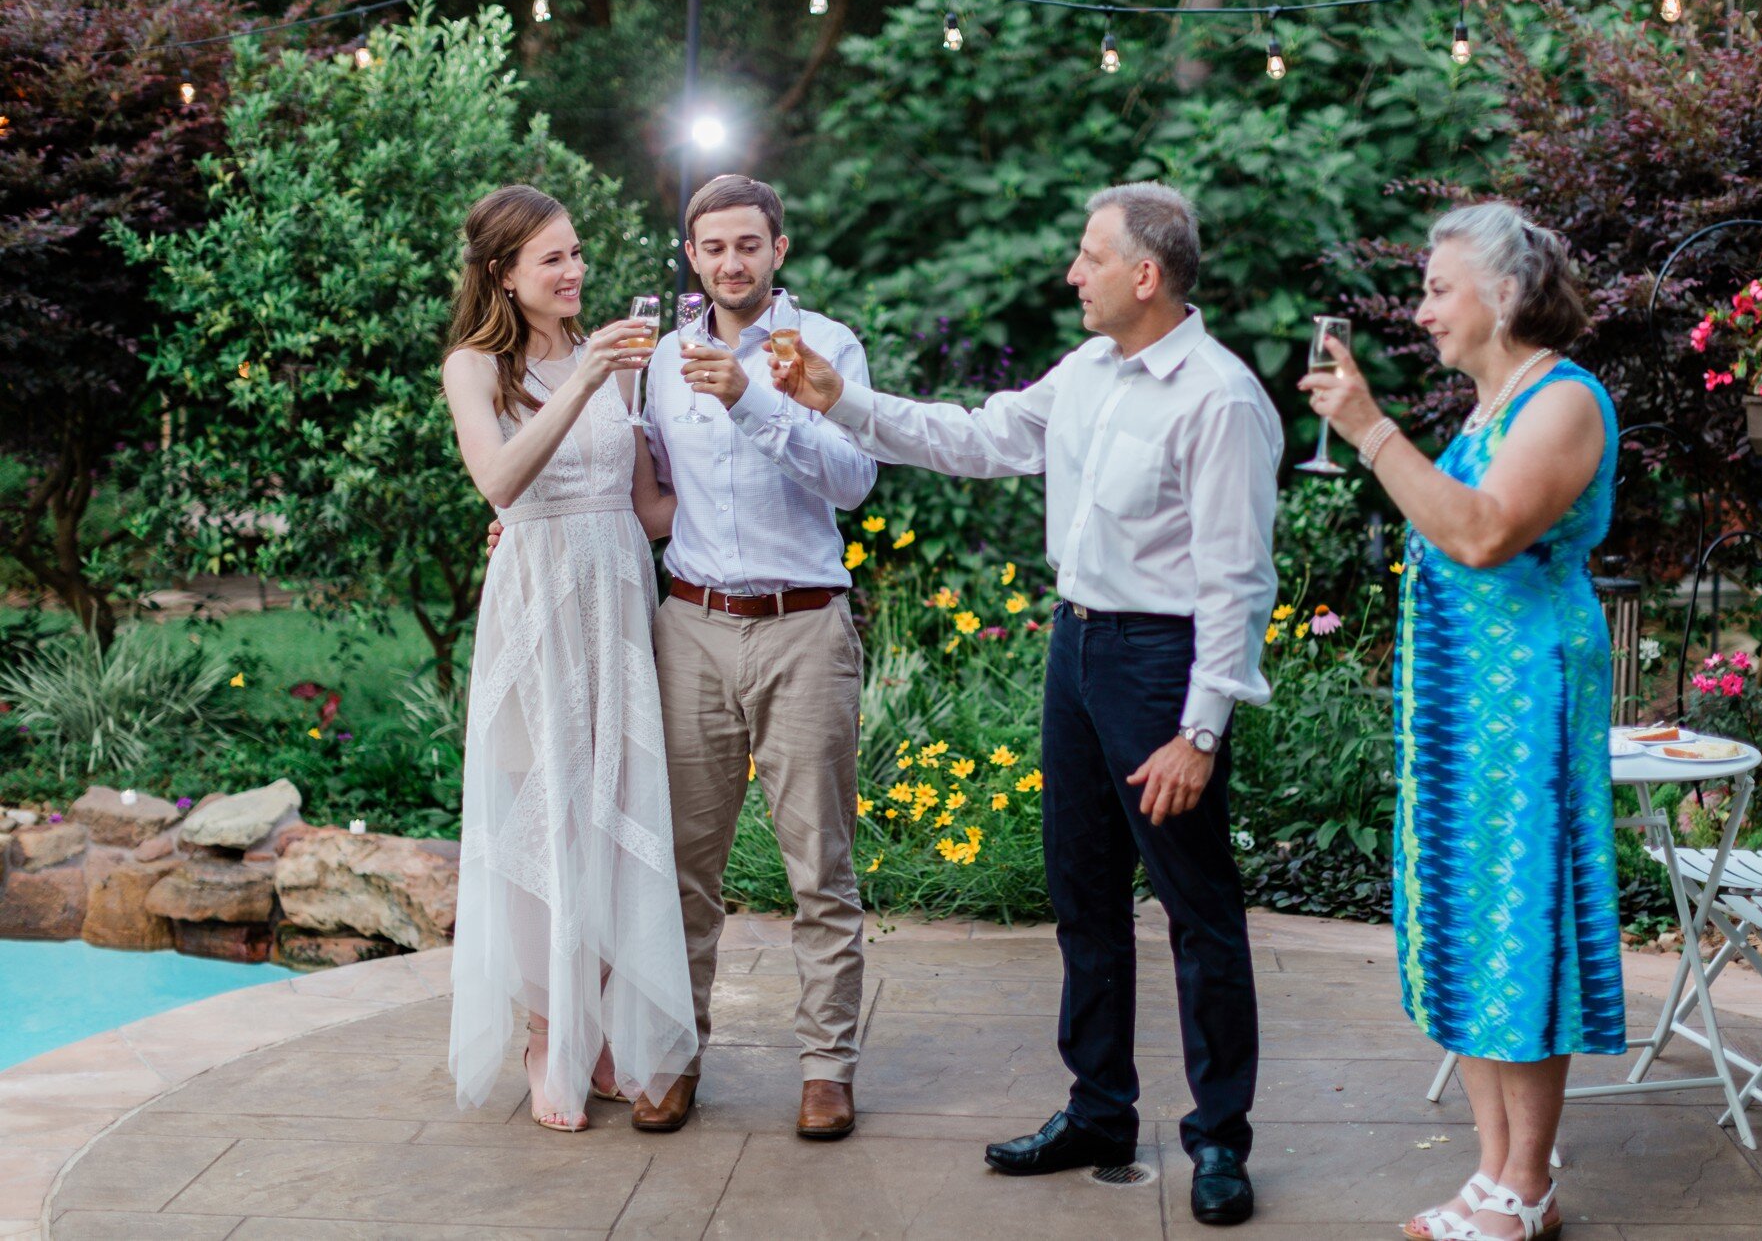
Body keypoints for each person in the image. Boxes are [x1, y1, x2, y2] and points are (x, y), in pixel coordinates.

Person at [773, 181, 1279, 1227]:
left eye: (1087, 258)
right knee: (1081, 897)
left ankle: (1218, 1141)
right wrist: (842, 403)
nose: (1069, 276)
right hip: (1077, 649)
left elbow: (1238, 581)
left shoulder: (1220, 398)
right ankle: (1098, 1108)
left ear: (1144, 275)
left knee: (1198, 914)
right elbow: (977, 438)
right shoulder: (1088, 372)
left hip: (1162, 662)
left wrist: (1200, 728)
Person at [1299, 200, 1619, 1241]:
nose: (1423, 309)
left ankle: (1527, 1184)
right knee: (1470, 928)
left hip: (1522, 707)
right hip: (1459, 711)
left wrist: (1366, 430)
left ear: (1506, 293)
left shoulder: (1561, 403)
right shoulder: (1488, 411)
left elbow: (1479, 535)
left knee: (1518, 923)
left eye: (1439, 288)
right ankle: (1491, 1174)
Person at [441, 184, 696, 1133]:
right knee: (537, 811)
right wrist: (586, 380)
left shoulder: (615, 365)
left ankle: (595, 1024)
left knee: (612, 805)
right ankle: (548, 1031)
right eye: (553, 258)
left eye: (578, 253)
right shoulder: (476, 368)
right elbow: (501, 484)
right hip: (535, 604)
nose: (576, 270)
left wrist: (771, 492)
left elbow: (647, 507)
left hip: (617, 597)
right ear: (505, 274)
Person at [637, 174, 878, 1140]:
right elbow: (648, 490)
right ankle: (674, 1052)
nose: (730, 262)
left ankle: (826, 1067)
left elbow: (855, 479)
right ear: (691, 256)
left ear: (778, 249)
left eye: (748, 244)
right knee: (680, 864)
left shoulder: (824, 348)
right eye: (712, 247)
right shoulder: (661, 358)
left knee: (819, 864)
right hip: (690, 626)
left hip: (803, 626)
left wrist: (752, 402)